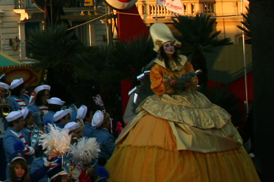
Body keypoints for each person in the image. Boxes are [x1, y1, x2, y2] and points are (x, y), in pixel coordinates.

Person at [106, 23, 260, 181]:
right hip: (165, 104)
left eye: (172, 44)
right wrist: (170, 84)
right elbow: (157, 86)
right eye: (167, 45)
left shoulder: (185, 63)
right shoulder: (157, 68)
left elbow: (193, 80)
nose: (170, 47)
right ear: (162, 48)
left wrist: (187, 82)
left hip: (191, 101)